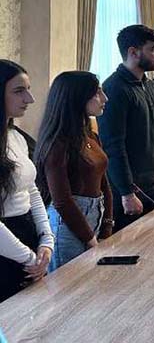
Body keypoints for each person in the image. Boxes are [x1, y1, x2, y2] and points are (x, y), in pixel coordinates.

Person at [35, 72, 112, 272]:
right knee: (70, 284)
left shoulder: (90, 135)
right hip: (69, 224)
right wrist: (89, 238)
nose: (104, 98)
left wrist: (107, 223)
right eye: (97, 93)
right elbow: (62, 201)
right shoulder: (57, 143)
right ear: (77, 98)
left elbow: (104, 182)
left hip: (95, 216)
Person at [97, 25, 154, 231]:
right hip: (129, 191)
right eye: (153, 49)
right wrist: (126, 192)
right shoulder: (114, 88)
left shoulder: (151, 86)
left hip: (152, 184)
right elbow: (113, 145)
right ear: (133, 52)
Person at [0, 60, 54, 302]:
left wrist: (46, 240)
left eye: (28, 89)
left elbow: (31, 191)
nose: (30, 99)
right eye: (19, 91)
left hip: (26, 238)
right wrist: (30, 258)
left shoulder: (16, 137)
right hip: (7, 249)